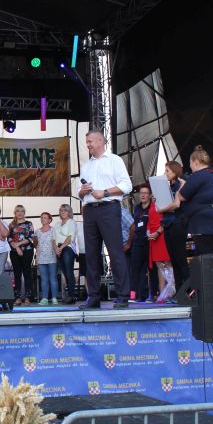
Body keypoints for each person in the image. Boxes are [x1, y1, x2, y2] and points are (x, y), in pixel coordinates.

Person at [77, 130, 133, 309]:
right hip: (89, 210)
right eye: (87, 142)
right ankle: (93, 297)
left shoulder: (114, 160)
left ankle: (122, 296)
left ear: (101, 141)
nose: (88, 145)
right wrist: (82, 191)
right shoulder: (86, 166)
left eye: (90, 141)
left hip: (109, 209)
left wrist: (105, 192)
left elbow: (127, 185)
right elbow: (79, 194)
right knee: (91, 255)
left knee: (115, 253)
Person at [174, 146, 213, 255]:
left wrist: (182, 185)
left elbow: (181, 196)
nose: (190, 166)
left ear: (196, 162)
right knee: (209, 253)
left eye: (190, 163)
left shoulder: (198, 175)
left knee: (204, 256)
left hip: (203, 222)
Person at [157, 161, 190, 290]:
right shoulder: (169, 187)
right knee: (174, 260)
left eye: (167, 171)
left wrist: (161, 209)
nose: (165, 173)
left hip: (177, 223)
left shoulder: (181, 185)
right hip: (168, 224)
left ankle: (189, 291)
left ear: (175, 172)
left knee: (180, 259)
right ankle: (180, 290)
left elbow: (176, 204)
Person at [128, 185, 156, 302]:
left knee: (150, 269)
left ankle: (151, 294)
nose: (143, 195)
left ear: (150, 195)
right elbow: (134, 224)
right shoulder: (137, 208)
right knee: (135, 269)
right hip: (137, 242)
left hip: (149, 241)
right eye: (141, 193)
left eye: (145, 193)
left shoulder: (153, 207)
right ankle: (133, 295)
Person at [8, 205, 35, 306]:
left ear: (24, 213)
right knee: (17, 274)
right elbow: (9, 238)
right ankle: (18, 298)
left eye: (22, 211)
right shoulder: (11, 225)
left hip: (27, 251)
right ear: (15, 213)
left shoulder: (29, 224)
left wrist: (18, 244)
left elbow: (30, 237)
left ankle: (28, 297)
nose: (20, 213)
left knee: (27, 273)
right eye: (17, 211)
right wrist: (17, 248)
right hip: (14, 252)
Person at [147, 204, 175, 303]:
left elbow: (167, 218)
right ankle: (162, 294)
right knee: (159, 264)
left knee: (167, 262)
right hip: (153, 236)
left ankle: (172, 293)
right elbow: (149, 220)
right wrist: (148, 232)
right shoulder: (152, 203)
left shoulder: (163, 199)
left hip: (162, 233)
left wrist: (158, 232)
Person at [53, 204, 77, 304]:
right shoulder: (57, 224)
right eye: (61, 210)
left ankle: (71, 295)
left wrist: (61, 247)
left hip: (67, 248)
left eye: (65, 210)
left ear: (69, 212)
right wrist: (56, 249)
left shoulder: (72, 222)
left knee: (69, 271)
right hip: (58, 249)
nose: (63, 212)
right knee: (65, 272)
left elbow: (70, 237)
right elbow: (53, 239)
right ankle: (69, 296)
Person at [36, 212, 58, 305]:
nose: (43, 219)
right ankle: (44, 298)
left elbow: (55, 242)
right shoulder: (37, 231)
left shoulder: (53, 230)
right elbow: (36, 244)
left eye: (45, 217)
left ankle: (54, 298)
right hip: (41, 258)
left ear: (49, 220)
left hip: (51, 257)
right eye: (41, 217)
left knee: (53, 279)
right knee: (44, 279)